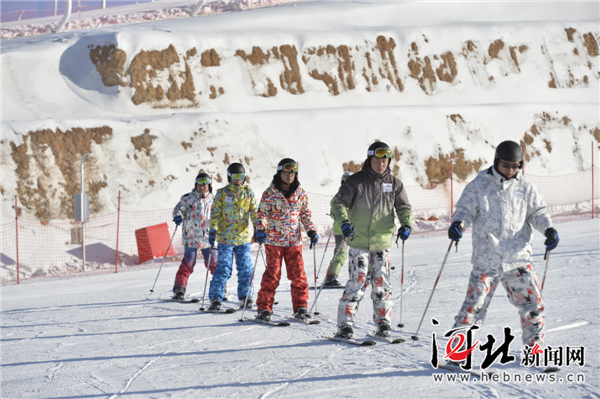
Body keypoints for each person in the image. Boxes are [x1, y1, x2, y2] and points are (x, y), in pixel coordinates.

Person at [447, 140, 559, 352]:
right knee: (472, 308)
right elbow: (465, 210)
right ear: (497, 162)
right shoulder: (479, 185)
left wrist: (548, 229)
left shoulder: (526, 187)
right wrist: (458, 224)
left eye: (515, 166)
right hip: (487, 259)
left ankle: (534, 350)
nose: (510, 170)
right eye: (506, 165)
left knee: (533, 306)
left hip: (518, 258)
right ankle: (457, 354)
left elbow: (538, 212)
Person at [332, 142, 412, 338]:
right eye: (377, 160)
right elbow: (339, 203)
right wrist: (343, 222)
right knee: (356, 285)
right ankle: (345, 325)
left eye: (384, 160)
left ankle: (383, 323)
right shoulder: (356, 182)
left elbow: (403, 207)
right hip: (359, 242)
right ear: (370, 160)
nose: (381, 164)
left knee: (382, 286)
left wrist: (406, 225)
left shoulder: (394, 184)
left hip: (382, 244)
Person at [254, 158, 319, 322]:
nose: (290, 176)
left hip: (293, 242)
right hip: (274, 241)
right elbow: (261, 214)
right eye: (286, 172)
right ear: (279, 173)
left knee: (298, 275)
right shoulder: (270, 193)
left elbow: (305, 215)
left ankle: (301, 307)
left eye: (293, 172)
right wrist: (261, 229)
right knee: (272, 275)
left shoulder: (300, 193)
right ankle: (264, 308)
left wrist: (311, 230)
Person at [207, 163, 258, 310]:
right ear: (229, 177)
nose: (238, 180)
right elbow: (215, 214)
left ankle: (246, 296)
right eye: (235, 177)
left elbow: (254, 213)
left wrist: (259, 229)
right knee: (223, 268)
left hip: (243, 239)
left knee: (246, 268)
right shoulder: (222, 193)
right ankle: (216, 298)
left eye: (241, 177)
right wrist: (213, 230)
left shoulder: (248, 193)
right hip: (226, 238)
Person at [171, 173, 218, 300]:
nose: (202, 187)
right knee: (188, 263)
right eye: (200, 184)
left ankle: (219, 288)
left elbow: (219, 216)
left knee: (213, 262)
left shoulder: (215, 199)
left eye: (205, 185)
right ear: (196, 185)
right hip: (190, 237)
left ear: (209, 185)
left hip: (208, 238)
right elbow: (178, 209)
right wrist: (178, 215)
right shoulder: (188, 198)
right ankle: (179, 289)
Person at [322, 171, 353, 287]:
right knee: (341, 254)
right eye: (346, 182)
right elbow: (333, 211)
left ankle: (364, 275)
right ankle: (331, 277)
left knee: (360, 252)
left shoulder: (357, 195)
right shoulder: (339, 196)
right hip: (341, 230)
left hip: (355, 229)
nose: (348, 184)